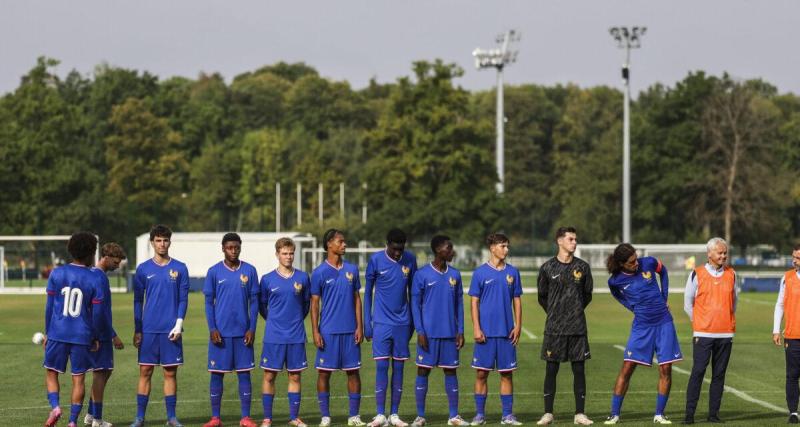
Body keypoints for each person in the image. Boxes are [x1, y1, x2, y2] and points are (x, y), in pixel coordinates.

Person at [603, 243, 681, 425]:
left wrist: (664, 297)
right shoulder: (615, 281)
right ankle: (614, 414)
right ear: (622, 264)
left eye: (636, 258)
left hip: (664, 323)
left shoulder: (649, 263)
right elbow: (618, 295)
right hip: (642, 327)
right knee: (627, 367)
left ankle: (659, 414)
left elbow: (664, 272)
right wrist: (632, 307)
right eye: (631, 262)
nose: (636, 263)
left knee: (666, 369)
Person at [42, 232, 106, 427]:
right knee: (79, 379)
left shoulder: (57, 273)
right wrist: (94, 336)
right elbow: (97, 313)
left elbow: (49, 307)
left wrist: (47, 332)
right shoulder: (95, 278)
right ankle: (72, 421)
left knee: (51, 373)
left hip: (57, 332)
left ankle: (55, 407)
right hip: (82, 335)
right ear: (90, 253)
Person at [131, 224, 189, 427]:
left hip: (170, 330)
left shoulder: (180, 268)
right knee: (145, 371)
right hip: (148, 330)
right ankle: (139, 418)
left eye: (165, 240)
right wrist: (138, 329)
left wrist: (179, 324)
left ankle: (171, 417)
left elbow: (183, 299)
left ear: (170, 242)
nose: (162, 244)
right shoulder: (143, 269)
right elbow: (138, 300)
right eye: (158, 240)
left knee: (170, 372)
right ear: (152, 242)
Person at [535, 227, 593, 426]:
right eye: (570, 239)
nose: (574, 242)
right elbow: (542, 296)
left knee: (579, 370)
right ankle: (548, 413)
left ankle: (580, 414)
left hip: (577, 328)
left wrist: (574, 311)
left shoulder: (583, 267)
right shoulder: (547, 267)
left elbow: (587, 295)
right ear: (560, 241)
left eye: (576, 239)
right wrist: (556, 313)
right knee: (551, 370)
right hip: (554, 329)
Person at [202, 233, 260, 427]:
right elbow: (209, 303)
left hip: (243, 333)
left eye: (236, 247)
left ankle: (245, 417)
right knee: (217, 373)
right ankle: (215, 418)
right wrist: (212, 328)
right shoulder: (214, 271)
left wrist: (252, 328)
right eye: (229, 248)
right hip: (221, 333)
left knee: (244, 373)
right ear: (223, 248)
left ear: (240, 247)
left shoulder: (250, 271)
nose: (233, 251)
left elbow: (254, 303)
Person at [410, 235, 469, 427]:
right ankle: (420, 416)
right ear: (438, 250)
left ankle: (454, 416)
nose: (452, 252)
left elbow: (459, 304)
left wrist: (460, 330)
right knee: (423, 371)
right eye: (449, 248)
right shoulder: (422, 274)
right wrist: (420, 331)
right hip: (428, 334)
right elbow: (415, 305)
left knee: (451, 371)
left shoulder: (455, 275)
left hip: (450, 334)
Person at [311, 229, 366, 427]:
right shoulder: (319, 272)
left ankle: (354, 416)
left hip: (350, 331)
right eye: (340, 241)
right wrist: (316, 331)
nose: (344, 245)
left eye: (344, 241)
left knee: (353, 372)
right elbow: (315, 304)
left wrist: (360, 326)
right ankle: (325, 416)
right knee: (324, 373)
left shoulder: (351, 269)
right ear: (329, 245)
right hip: (328, 331)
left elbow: (357, 300)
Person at [364, 229, 417, 427]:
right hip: (381, 323)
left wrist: (413, 322)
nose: (398, 253)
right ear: (387, 244)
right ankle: (380, 415)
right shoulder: (375, 260)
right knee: (382, 367)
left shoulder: (410, 260)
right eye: (394, 249)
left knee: (400, 368)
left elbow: (414, 294)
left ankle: (394, 414)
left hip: (402, 323)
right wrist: (366, 323)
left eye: (401, 249)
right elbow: (368, 293)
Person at [469, 233, 523, 426]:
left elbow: (517, 300)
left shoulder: (513, 273)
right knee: (481, 373)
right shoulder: (480, 273)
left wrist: (518, 326)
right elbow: (474, 302)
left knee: (506, 374)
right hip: (485, 334)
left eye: (507, 246)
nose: (506, 250)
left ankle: (507, 415)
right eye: (502, 246)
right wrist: (476, 327)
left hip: (506, 333)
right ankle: (479, 415)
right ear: (492, 248)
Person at [683, 237, 738, 424]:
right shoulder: (697, 274)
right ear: (710, 254)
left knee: (719, 375)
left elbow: (734, 303)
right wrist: (699, 323)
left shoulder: (732, 274)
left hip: (725, 334)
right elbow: (687, 304)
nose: (723, 256)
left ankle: (713, 414)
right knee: (698, 372)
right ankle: (689, 415)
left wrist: (726, 321)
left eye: (725, 253)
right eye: (720, 253)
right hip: (703, 334)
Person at [259, 237, 311, 427]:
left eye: (291, 253)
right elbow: (262, 306)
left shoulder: (303, 278)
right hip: (274, 335)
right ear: (277, 254)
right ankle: (267, 418)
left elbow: (306, 305)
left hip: (296, 335)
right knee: (269, 376)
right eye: (284, 253)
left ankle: (294, 417)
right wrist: (275, 321)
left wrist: (294, 320)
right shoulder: (266, 279)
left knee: (295, 376)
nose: (288, 257)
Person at [84, 243, 127, 427]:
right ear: (106, 257)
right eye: (116, 262)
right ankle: (97, 420)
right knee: (101, 373)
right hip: (99, 333)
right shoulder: (100, 278)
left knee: (105, 371)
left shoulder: (92, 274)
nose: (118, 266)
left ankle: (90, 414)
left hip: (96, 331)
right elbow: (99, 312)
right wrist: (113, 335)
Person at [773, 244, 800, 424]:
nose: (794, 260)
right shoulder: (787, 278)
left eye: (797, 257)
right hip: (792, 335)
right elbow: (780, 305)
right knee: (792, 375)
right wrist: (776, 329)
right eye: (793, 256)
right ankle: (793, 411)